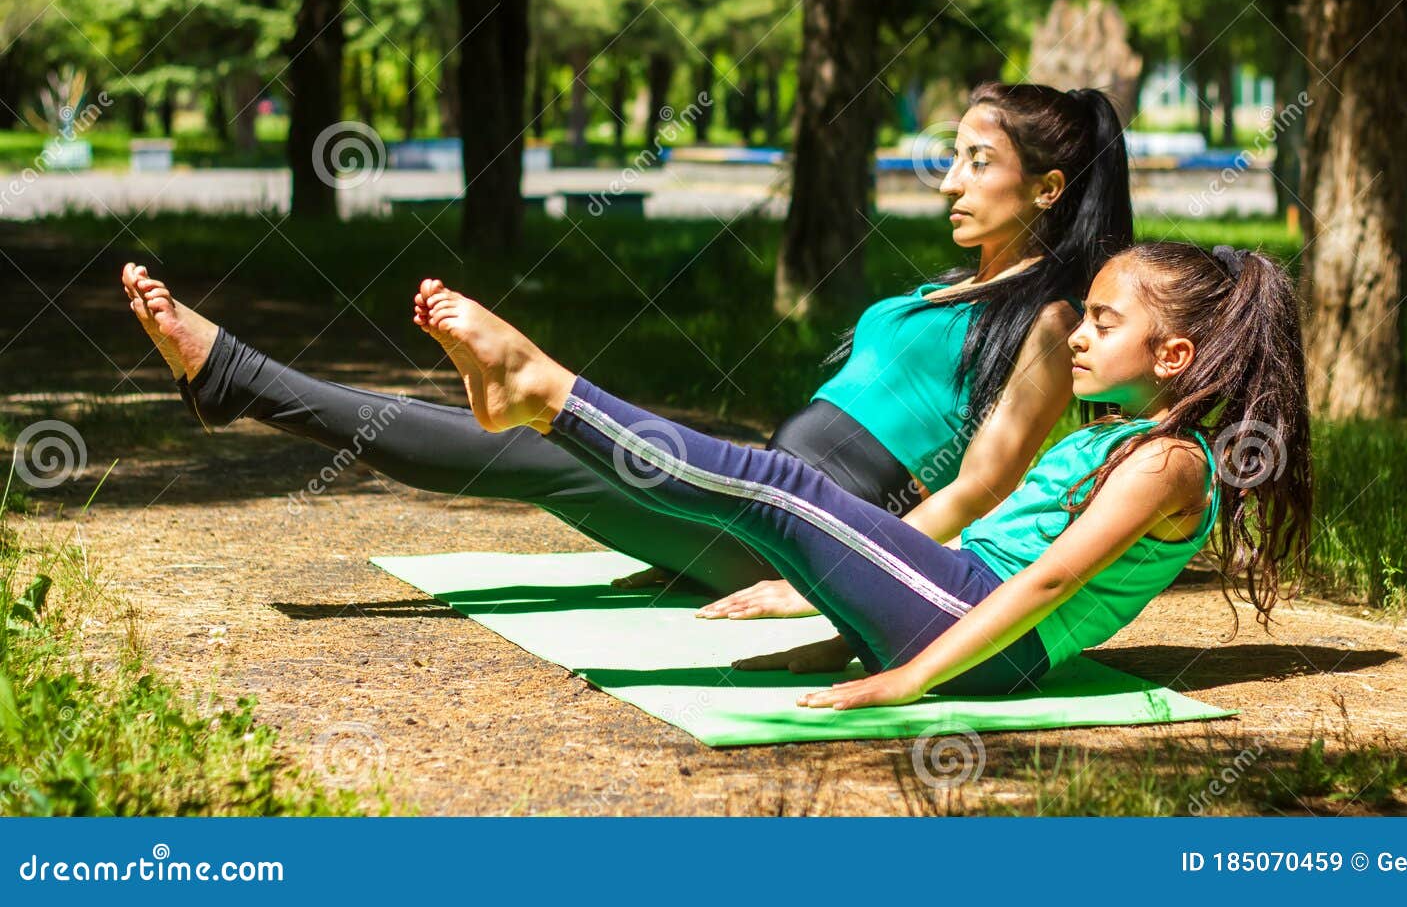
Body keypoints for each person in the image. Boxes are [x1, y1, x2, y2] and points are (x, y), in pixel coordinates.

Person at [121, 83, 1131, 658]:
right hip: (749, 501)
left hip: (811, 532)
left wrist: (820, 581)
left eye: (976, 162)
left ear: (1046, 186)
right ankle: (244, 380)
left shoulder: (1044, 320)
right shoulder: (947, 288)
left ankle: (240, 376)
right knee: (521, 449)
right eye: (949, 156)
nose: (948, 180)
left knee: (534, 442)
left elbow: (978, 486)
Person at [404, 239, 1313, 706]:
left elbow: (1052, 576)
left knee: (777, 487)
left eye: (1104, 324)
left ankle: (545, 390)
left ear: (1175, 354)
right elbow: (992, 541)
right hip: (953, 601)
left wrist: (905, 676)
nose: (1078, 332)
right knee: (783, 501)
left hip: (972, 632)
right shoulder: (1115, 437)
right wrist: (848, 620)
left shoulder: (1168, 463)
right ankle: (535, 399)